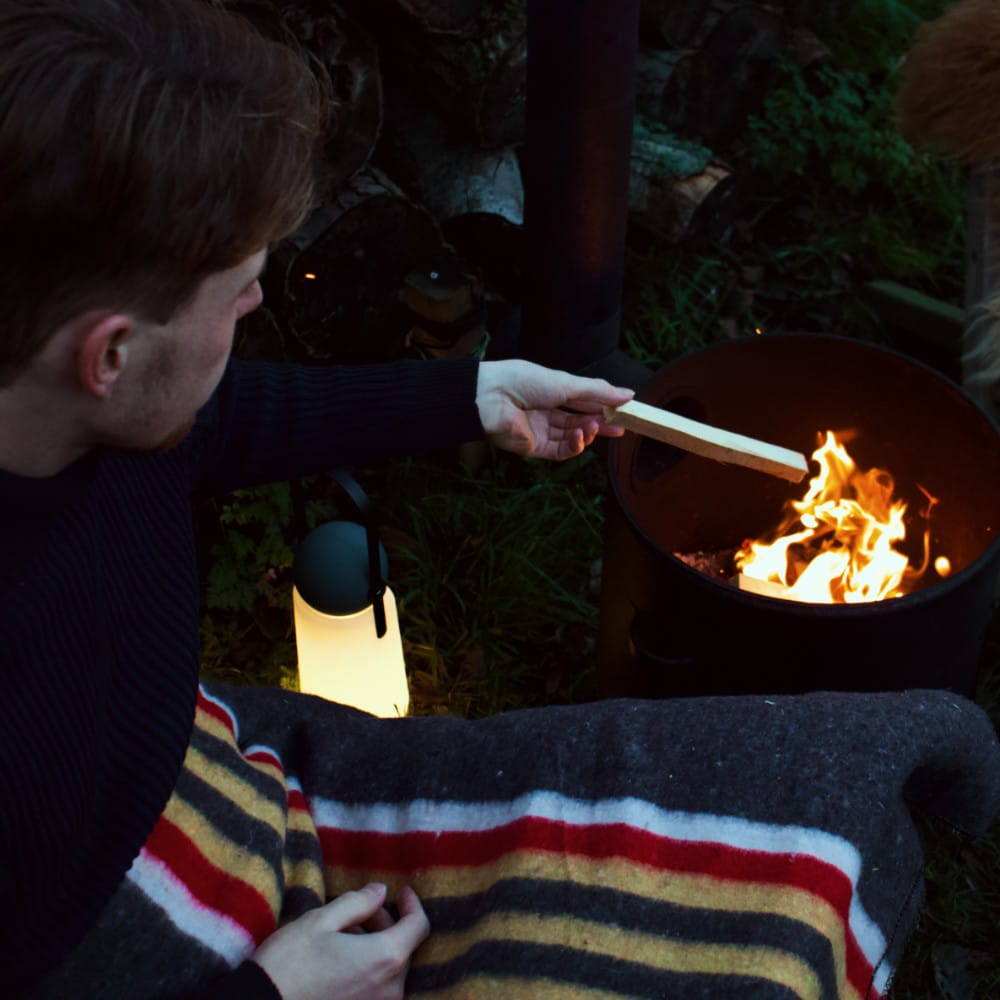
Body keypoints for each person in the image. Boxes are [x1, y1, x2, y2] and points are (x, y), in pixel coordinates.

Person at [2, 3, 998, 999]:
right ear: (111, 353)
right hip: (133, 934)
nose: (259, 304)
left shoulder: (87, 417)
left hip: (208, 782)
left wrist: (473, 394)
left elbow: (206, 422)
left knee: (817, 792)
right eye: (235, 293)